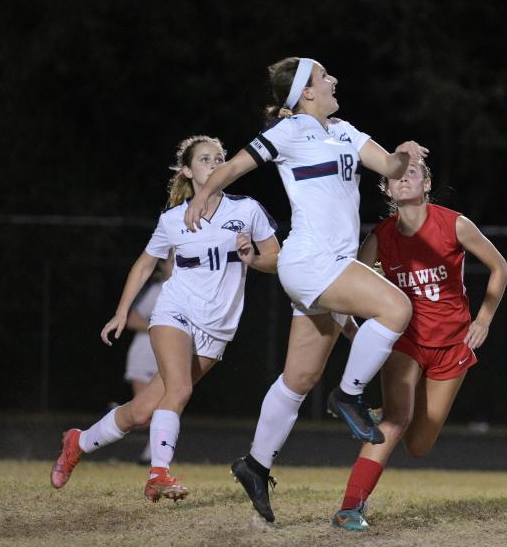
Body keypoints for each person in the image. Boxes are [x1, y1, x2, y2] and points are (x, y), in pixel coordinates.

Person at [184, 56, 428, 522]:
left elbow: (391, 166)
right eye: (323, 76)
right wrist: (202, 195)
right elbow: (234, 166)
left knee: (298, 380)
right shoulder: (289, 131)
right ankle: (351, 395)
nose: (334, 78)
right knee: (396, 308)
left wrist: (404, 155)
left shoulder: (345, 130)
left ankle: (254, 464)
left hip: (326, 265)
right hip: (311, 261)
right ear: (306, 93)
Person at [50, 135, 280, 502]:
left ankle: (77, 442)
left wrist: (253, 256)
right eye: (205, 159)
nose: (215, 163)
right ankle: (158, 474)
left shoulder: (247, 210)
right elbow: (145, 265)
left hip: (217, 327)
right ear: (187, 170)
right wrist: (122, 312)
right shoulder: (173, 219)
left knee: (142, 412)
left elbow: (276, 259)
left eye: (220, 158)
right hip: (176, 310)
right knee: (180, 390)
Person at [331, 160, 507, 531]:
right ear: (386, 190)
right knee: (398, 423)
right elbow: (350, 284)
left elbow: (500, 267)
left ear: (427, 183)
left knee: (419, 445)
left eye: (412, 172)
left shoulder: (454, 223)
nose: (403, 178)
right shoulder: (380, 236)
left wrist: (484, 319)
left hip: (452, 343)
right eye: (395, 175)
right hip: (405, 341)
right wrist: (353, 328)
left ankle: (382, 413)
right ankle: (350, 508)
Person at [122, 255, 174, 464]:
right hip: (144, 355)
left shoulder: (184, 292)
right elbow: (132, 319)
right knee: (143, 415)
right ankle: (112, 412)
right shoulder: (157, 290)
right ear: (163, 265)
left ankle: (153, 456)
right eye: (172, 262)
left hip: (165, 356)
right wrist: (161, 329)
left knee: (164, 408)